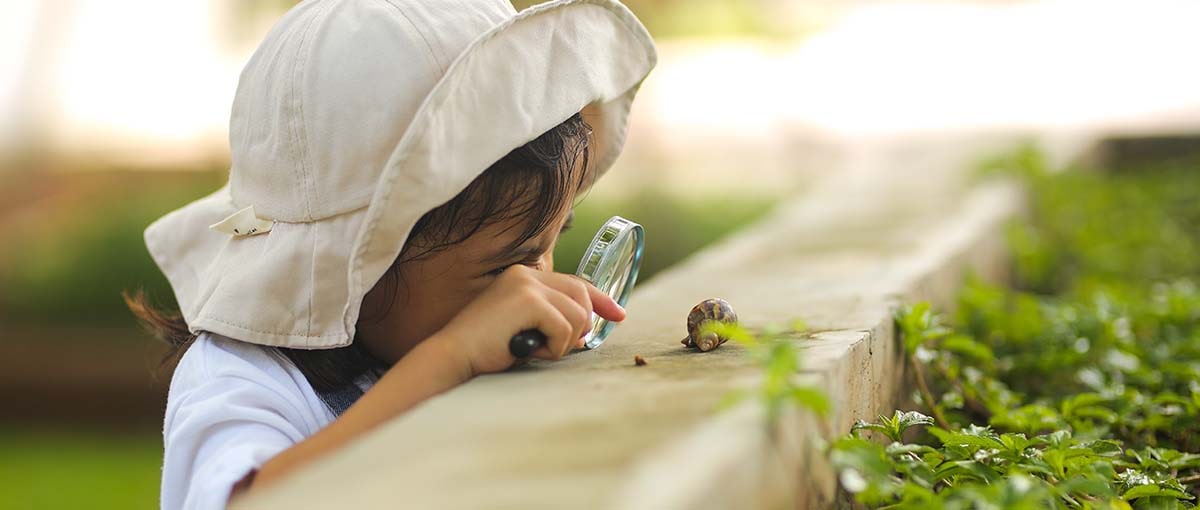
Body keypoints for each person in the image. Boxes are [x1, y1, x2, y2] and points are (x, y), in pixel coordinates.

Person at [122, 0, 657, 508]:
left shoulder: (427, 344)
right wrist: (449, 358)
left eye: (548, 247)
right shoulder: (243, 380)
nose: (531, 289)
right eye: (503, 267)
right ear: (355, 269)